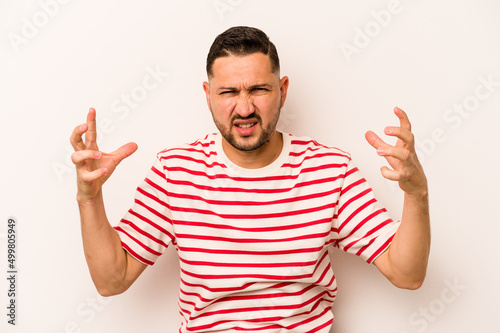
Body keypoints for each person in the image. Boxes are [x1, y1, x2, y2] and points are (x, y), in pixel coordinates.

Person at [70, 26, 430, 332]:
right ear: (208, 96)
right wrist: (89, 198)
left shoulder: (329, 171)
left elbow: (406, 274)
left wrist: (417, 194)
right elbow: (111, 280)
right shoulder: (175, 172)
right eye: (229, 92)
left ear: (282, 90)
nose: (244, 109)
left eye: (259, 89)